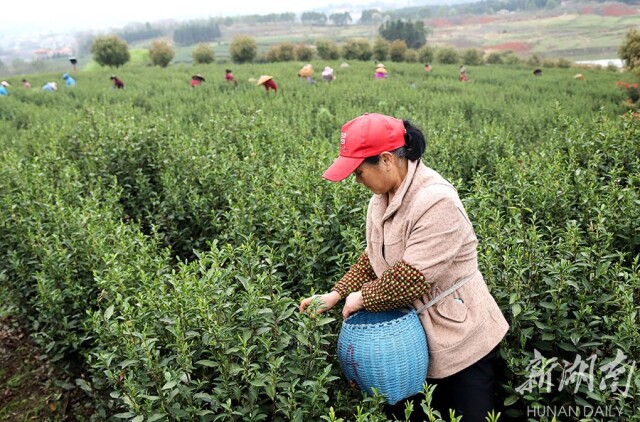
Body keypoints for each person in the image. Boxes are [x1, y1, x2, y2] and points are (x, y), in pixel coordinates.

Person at [299, 113, 509, 421]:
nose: (357, 181)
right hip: (412, 341)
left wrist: (361, 298)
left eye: (358, 172)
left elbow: (410, 278)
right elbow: (374, 257)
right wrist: (337, 293)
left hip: (462, 338)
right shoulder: (380, 199)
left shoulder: (436, 200)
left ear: (386, 160)